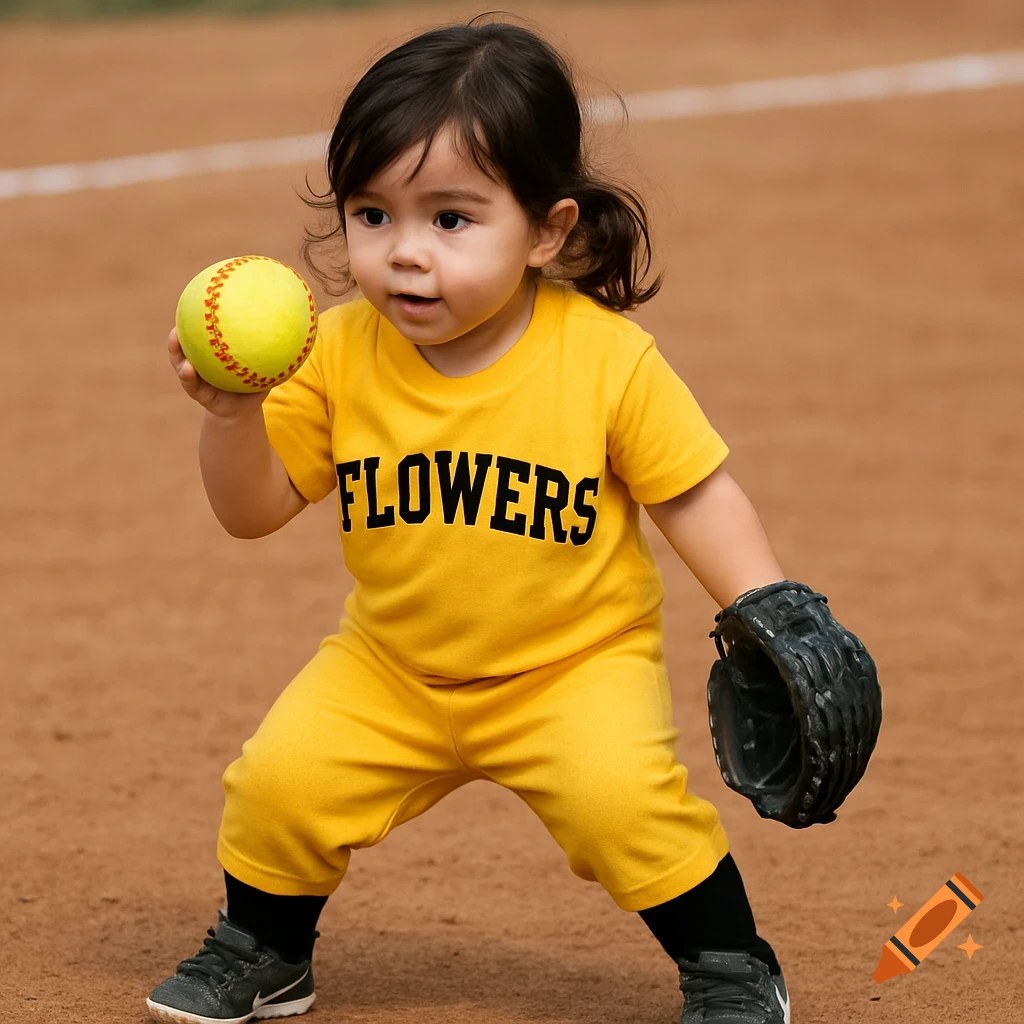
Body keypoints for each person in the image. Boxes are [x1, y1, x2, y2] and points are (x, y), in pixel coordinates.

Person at [147, 16, 791, 1024]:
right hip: (392, 665)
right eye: (372, 214)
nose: (404, 254)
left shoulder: (605, 360)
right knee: (279, 783)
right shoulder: (339, 351)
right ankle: (266, 948)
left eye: (450, 220)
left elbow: (693, 492)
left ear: (547, 230)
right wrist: (234, 417)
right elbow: (253, 510)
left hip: (572, 663)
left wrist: (771, 609)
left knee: (626, 807)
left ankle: (731, 966)